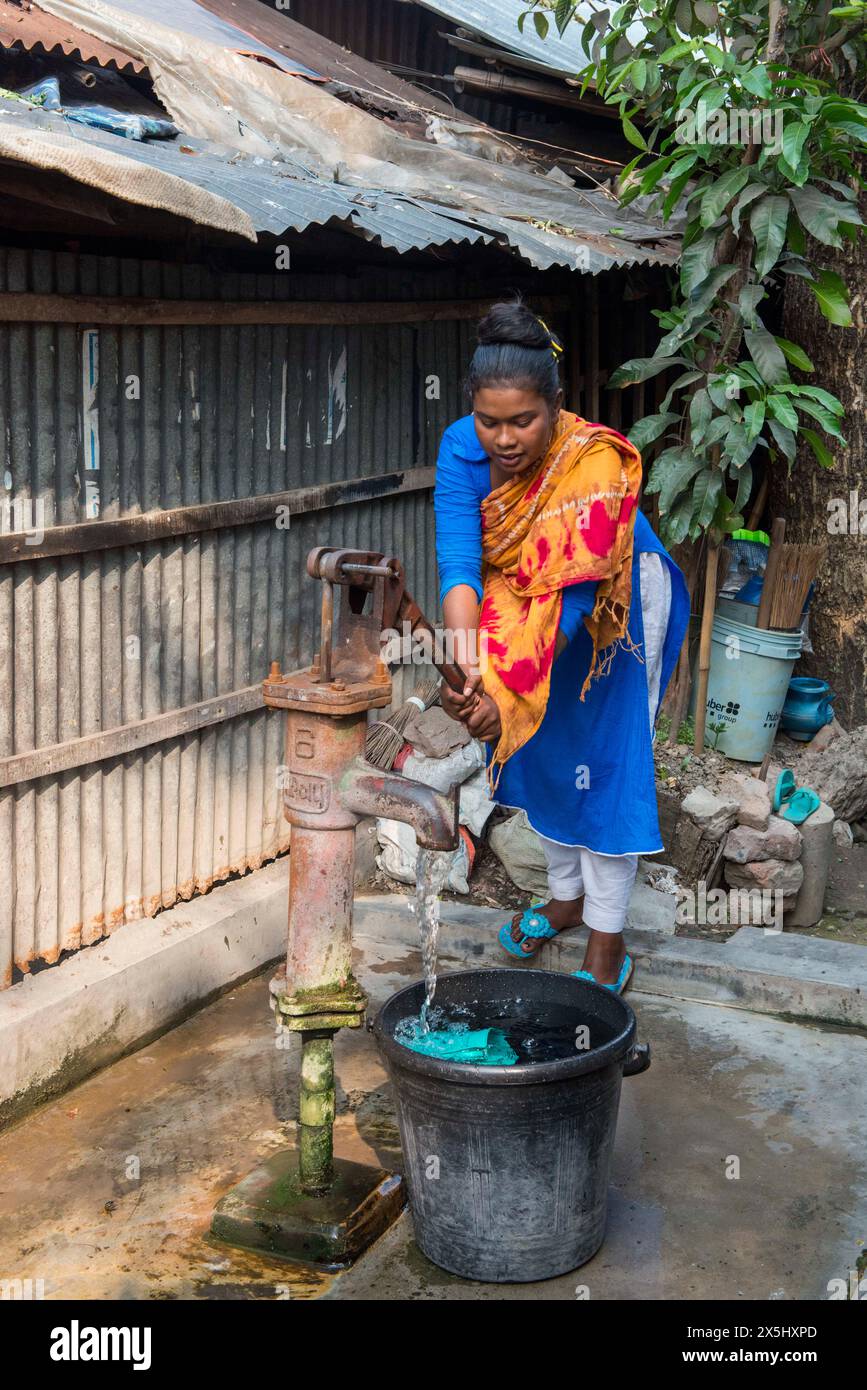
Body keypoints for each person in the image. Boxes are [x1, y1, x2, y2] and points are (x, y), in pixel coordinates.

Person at [433, 300, 689, 993]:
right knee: (543, 752)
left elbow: (575, 598)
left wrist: (507, 688)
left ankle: (606, 938)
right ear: (472, 413)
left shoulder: (593, 466)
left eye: (522, 421)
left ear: (555, 407)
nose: (504, 439)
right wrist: (470, 673)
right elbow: (459, 566)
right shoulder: (461, 450)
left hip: (614, 605)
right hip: (516, 606)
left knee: (602, 760)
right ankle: (567, 898)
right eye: (490, 421)